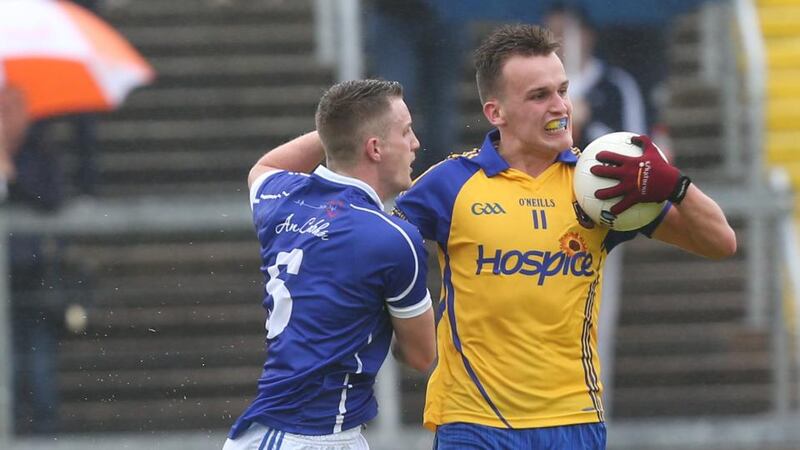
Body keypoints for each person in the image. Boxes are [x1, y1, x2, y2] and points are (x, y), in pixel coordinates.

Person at [392, 24, 736, 449]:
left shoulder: (599, 185)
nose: (561, 107)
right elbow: (375, 247)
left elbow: (719, 242)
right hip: (473, 421)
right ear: (495, 113)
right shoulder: (449, 184)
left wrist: (675, 185)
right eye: (539, 96)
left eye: (563, 90)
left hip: (574, 420)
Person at [223, 79, 436, 450]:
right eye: (405, 131)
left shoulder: (281, 198)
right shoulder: (393, 238)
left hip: (298, 434)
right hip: (306, 436)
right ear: (375, 148)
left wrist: (340, 131)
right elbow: (420, 355)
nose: (415, 142)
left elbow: (265, 164)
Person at [365, 0, 465, 174]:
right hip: (394, 16)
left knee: (438, 108)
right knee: (394, 100)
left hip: (444, 16)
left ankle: (436, 180)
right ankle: (397, 176)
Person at [543, 2, 648, 150]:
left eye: (562, 33)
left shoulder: (616, 85)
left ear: (586, 35)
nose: (554, 42)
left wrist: (589, 120)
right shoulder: (538, 86)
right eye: (549, 33)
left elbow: (637, 143)